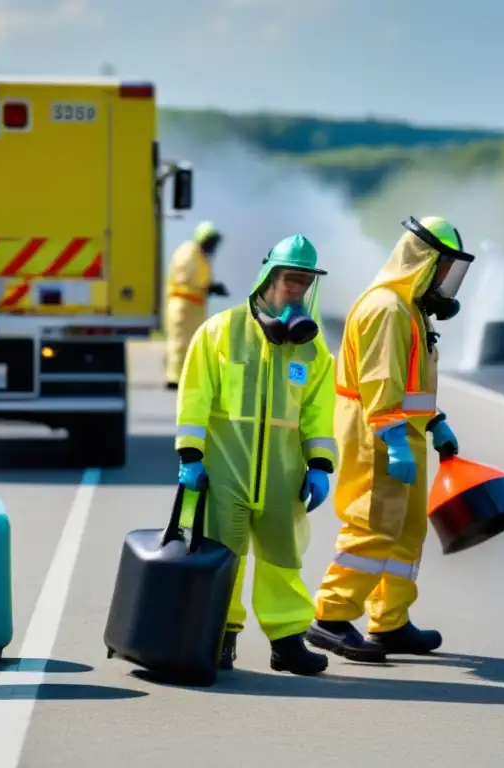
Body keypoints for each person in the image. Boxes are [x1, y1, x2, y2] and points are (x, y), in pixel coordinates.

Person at [305, 216, 474, 663]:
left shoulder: (410, 308)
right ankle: (331, 617)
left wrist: (434, 421)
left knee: (407, 530)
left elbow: (409, 380)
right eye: (444, 266)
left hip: (404, 430)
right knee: (373, 524)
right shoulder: (386, 308)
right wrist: (395, 438)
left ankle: (390, 621)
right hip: (378, 433)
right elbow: (381, 383)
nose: (446, 277)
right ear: (424, 261)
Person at [175, 233, 337, 676]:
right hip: (225, 467)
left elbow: (319, 414)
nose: (296, 290)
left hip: (284, 473)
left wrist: (320, 465)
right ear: (269, 276)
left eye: (305, 283)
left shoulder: (311, 347)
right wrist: (191, 455)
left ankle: (287, 643)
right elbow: (194, 397)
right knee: (223, 557)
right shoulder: (220, 331)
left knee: (283, 558)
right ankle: (219, 639)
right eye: (290, 279)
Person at [164, 220, 228, 390]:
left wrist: (212, 287)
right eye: (211, 241)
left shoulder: (199, 255)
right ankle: (174, 378)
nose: (213, 246)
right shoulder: (188, 253)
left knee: (192, 342)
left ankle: (185, 377)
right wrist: (211, 287)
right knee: (179, 342)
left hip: (194, 306)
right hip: (183, 305)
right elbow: (193, 279)